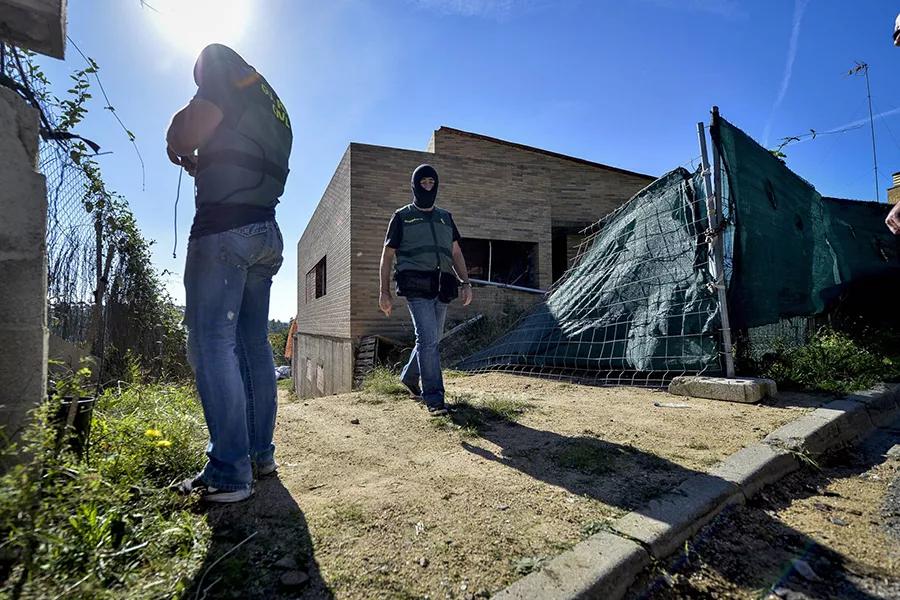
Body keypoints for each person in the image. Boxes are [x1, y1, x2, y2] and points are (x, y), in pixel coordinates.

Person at [166, 44, 292, 503]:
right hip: (266, 232)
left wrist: (175, 143)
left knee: (209, 341)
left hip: (224, 231)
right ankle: (259, 456)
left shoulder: (219, 72)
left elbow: (183, 134)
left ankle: (228, 471)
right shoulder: (271, 101)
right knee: (253, 344)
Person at [379, 164, 473, 416]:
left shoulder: (445, 217)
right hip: (415, 286)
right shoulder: (402, 216)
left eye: (432, 182)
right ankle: (434, 399)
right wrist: (384, 291)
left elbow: (455, 253)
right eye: (423, 182)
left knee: (432, 339)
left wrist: (466, 283)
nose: (428, 186)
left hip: (442, 286)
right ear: (415, 185)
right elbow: (387, 256)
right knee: (429, 341)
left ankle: (409, 377)